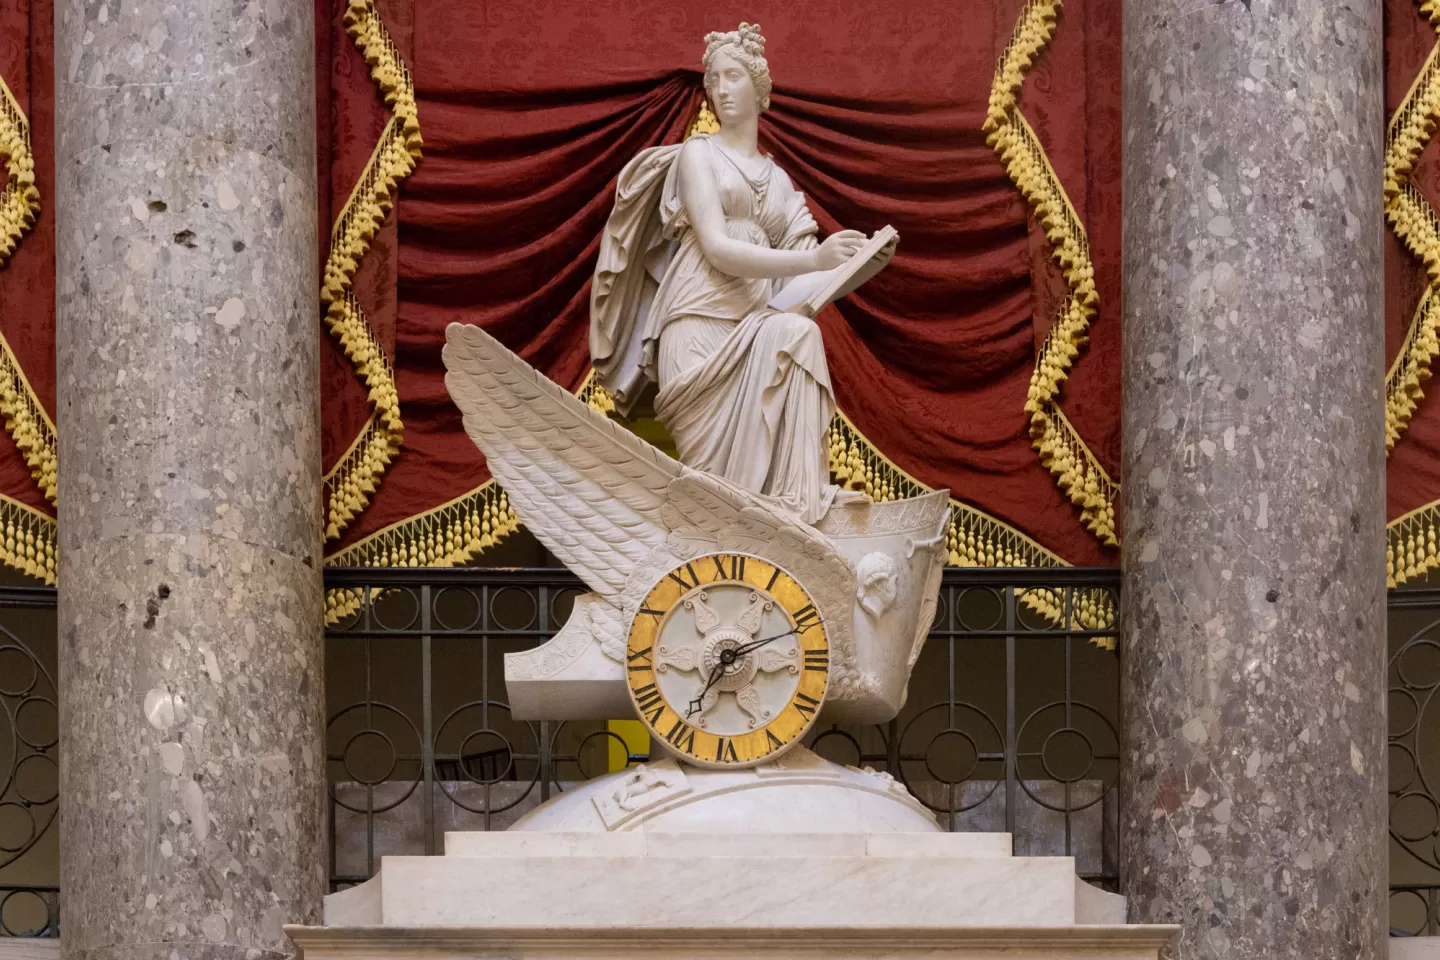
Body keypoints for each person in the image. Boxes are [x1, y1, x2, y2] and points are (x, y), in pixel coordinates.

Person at [591, 22, 889, 524]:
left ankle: (799, 502)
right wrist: (815, 258)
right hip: (697, 320)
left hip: (756, 324)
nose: (721, 89)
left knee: (799, 333)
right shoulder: (698, 155)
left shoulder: (780, 183)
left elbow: (795, 294)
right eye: (714, 79)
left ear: (759, 87)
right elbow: (718, 248)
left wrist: (852, 270)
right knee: (713, 499)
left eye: (733, 76)